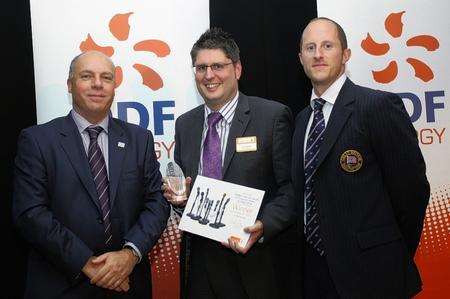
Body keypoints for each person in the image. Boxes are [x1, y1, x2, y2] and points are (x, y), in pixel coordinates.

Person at [13, 50, 170, 298]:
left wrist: (129, 255)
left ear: (114, 86)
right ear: (70, 84)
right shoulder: (37, 140)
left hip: (128, 282)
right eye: (87, 76)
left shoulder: (140, 139)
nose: (98, 84)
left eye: (106, 77)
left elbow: (157, 202)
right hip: (61, 284)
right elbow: (30, 213)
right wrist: (88, 264)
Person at [292, 17, 430, 298]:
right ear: (301, 58)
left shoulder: (377, 106)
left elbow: (412, 192)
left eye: (327, 45)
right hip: (315, 275)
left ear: (345, 55)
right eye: (310, 48)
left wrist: (387, 251)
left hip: (374, 274)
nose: (318, 54)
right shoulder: (301, 120)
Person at [163, 28, 295, 299]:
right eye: (201, 67)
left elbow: (291, 189)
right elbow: (186, 195)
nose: (208, 75)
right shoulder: (185, 125)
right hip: (199, 265)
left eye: (217, 66)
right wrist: (179, 199)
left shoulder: (271, 117)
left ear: (237, 69)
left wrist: (265, 225)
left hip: (254, 264)